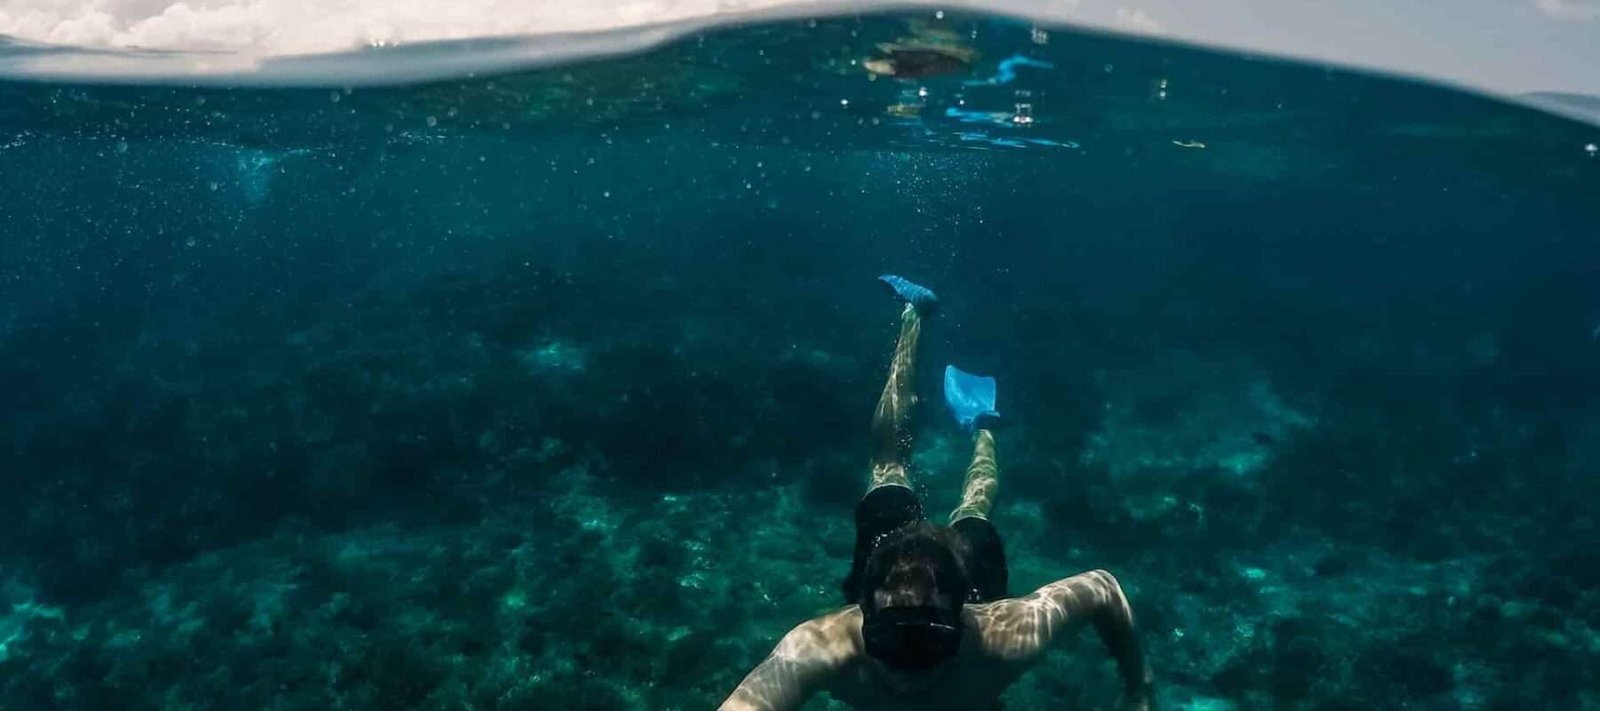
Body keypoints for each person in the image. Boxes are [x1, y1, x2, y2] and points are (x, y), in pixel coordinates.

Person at [720, 276, 1154, 711]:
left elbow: (1102, 588)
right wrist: (1138, 687)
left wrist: (1140, 686)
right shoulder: (823, 647)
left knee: (962, 499)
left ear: (963, 618)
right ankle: (915, 315)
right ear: (863, 611)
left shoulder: (1000, 638)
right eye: (892, 639)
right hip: (912, 569)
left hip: (971, 579)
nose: (909, 667)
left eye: (928, 642)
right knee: (892, 462)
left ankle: (981, 421)